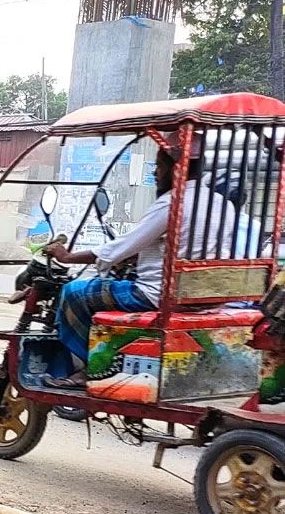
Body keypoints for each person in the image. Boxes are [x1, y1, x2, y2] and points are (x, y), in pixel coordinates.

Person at [42, 133, 237, 387]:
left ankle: (91, 367)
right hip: (204, 299)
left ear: (174, 167)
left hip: (154, 296)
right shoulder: (223, 206)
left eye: (159, 166)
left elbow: (122, 246)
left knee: (73, 292)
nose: (156, 173)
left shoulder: (173, 203)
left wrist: (68, 257)